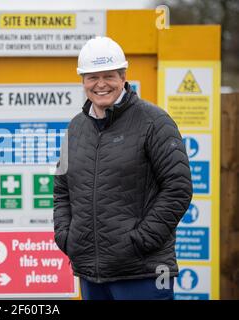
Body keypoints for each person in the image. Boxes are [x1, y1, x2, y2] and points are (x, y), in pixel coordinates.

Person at [53, 36, 193, 300]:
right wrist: (66, 237)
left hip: (144, 272)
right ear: (83, 81)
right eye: (92, 77)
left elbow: (178, 188)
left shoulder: (154, 121)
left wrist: (140, 242)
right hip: (91, 274)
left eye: (109, 75)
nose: (101, 84)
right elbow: (62, 190)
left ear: (123, 76)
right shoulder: (76, 128)